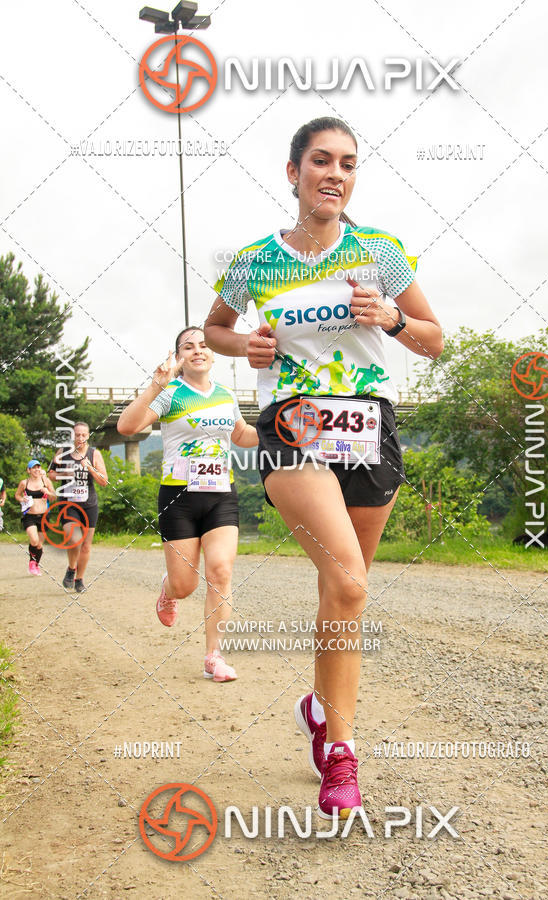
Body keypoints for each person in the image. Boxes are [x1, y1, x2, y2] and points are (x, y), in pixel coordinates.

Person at [204, 116, 443, 818]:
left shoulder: (380, 253)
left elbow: (434, 340)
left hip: (369, 426)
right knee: (346, 578)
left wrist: (394, 321)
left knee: (345, 594)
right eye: (320, 161)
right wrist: (242, 344)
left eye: (347, 163)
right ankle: (342, 752)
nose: (334, 173)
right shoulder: (256, 260)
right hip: (294, 423)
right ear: (293, 172)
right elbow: (217, 327)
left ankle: (318, 705)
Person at [117, 326, 258, 683]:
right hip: (178, 498)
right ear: (179, 356)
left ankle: (214, 656)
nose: (198, 350)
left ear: (213, 355)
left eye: (204, 345)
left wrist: (278, 426)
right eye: (188, 346)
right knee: (186, 585)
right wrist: (156, 385)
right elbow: (127, 426)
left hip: (221, 495)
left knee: (221, 571)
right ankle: (169, 590)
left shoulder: (226, 395)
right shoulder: (171, 394)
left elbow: (240, 435)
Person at [47, 422, 108, 592]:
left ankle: (79, 579)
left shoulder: (94, 454)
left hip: (89, 504)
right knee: (74, 540)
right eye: (77, 435)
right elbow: (50, 474)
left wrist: (89, 467)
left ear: (88, 436)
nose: (80, 438)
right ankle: (71, 568)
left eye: (83, 435)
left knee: (86, 545)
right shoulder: (62, 452)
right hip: (68, 503)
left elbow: (104, 481)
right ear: (72, 436)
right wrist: (64, 474)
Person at [14, 460, 56, 575]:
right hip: (29, 516)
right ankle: (32, 564)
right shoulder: (24, 483)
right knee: (34, 540)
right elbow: (17, 495)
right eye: (34, 468)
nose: (37, 470)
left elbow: (54, 497)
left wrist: (48, 492)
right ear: (29, 470)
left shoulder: (45, 481)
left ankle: (35, 564)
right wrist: (22, 499)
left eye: (38, 467)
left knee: (39, 545)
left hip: (43, 516)